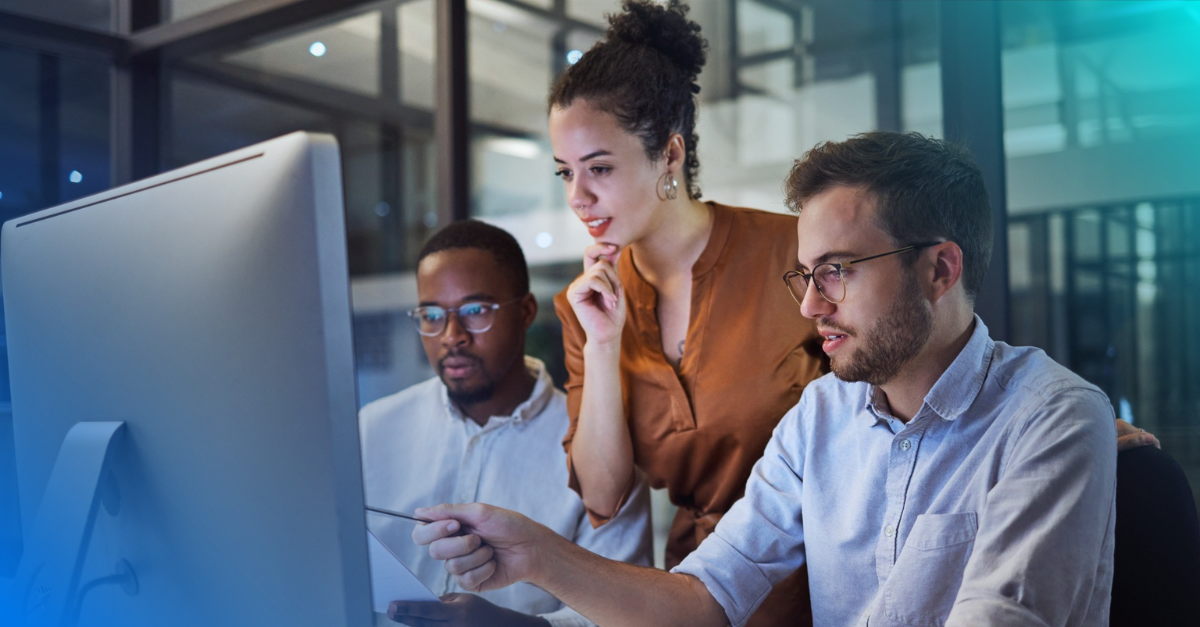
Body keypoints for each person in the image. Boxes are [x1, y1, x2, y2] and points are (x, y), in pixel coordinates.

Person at [411, 132, 1119, 627]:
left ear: (940, 269)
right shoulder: (821, 417)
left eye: (837, 270)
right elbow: (703, 598)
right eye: (806, 275)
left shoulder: (1050, 421)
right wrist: (537, 555)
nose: (812, 306)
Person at [549, 2, 825, 622]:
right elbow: (603, 494)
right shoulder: (590, 304)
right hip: (691, 593)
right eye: (565, 172)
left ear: (670, 156)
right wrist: (602, 344)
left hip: (827, 585)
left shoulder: (795, 252)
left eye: (599, 168)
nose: (577, 197)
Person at [359, 220, 652, 627]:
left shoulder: (598, 452)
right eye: (431, 314)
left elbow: (630, 615)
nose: (452, 335)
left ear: (527, 311)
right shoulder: (373, 429)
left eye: (475, 311)